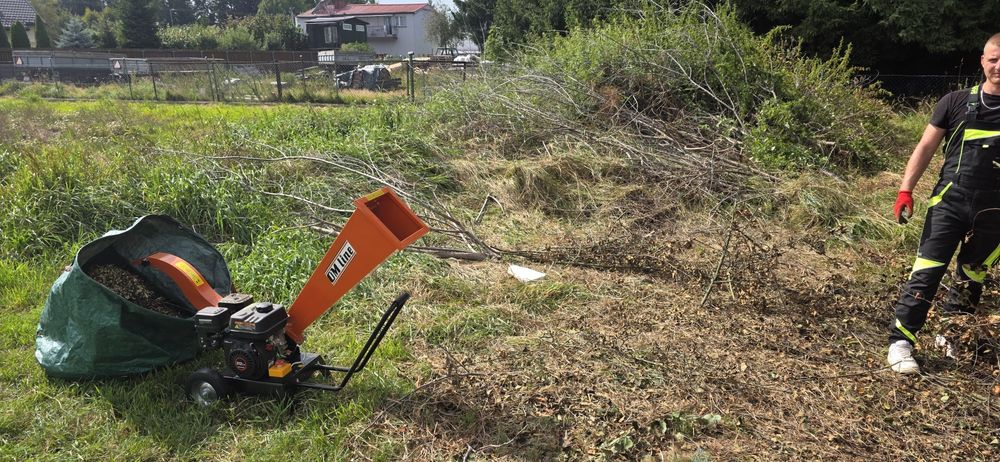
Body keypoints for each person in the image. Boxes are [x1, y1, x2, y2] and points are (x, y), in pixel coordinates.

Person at [888, 33, 1000, 374]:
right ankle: (901, 342)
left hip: (995, 213)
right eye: (994, 59)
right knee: (926, 272)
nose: (999, 66)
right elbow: (924, 148)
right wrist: (906, 190)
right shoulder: (953, 102)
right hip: (949, 203)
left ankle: (952, 335)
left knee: (972, 276)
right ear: (982, 61)